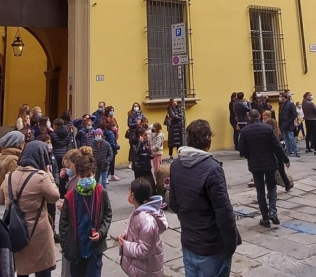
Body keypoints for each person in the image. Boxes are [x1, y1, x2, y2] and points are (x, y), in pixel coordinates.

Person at [169, 120, 240, 277]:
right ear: (208, 140)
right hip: (211, 245)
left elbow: (173, 204)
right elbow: (224, 213)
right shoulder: (212, 169)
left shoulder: (176, 164)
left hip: (189, 241)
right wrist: (231, 243)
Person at [0, 140, 61, 277]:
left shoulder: (9, 176)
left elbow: (0, 200)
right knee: (43, 270)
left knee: (22, 269)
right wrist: (49, 174)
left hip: (16, 230)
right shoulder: (41, 177)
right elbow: (54, 197)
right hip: (39, 230)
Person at [58, 150, 113, 277]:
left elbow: (107, 214)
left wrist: (101, 232)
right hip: (76, 250)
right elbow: (63, 223)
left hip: (95, 250)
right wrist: (66, 246)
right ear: (77, 176)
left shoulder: (101, 192)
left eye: (89, 176)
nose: (86, 179)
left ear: (94, 173)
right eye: (82, 176)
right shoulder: (70, 197)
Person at [239, 109, 290, 227]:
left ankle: (265, 218)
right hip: (270, 163)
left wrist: (250, 156)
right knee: (272, 188)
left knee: (260, 190)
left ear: (249, 118)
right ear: (259, 117)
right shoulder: (267, 129)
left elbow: (241, 149)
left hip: (255, 164)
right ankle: (273, 211)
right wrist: (285, 159)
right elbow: (277, 146)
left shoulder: (245, 131)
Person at [119, 177, 168, 277]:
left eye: (129, 191)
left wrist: (125, 245)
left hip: (146, 270)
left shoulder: (147, 222)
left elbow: (145, 250)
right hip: (140, 267)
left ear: (133, 195)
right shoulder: (138, 211)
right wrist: (126, 234)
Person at [278, 90, 300, 157]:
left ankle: (296, 151)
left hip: (288, 123)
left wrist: (289, 121)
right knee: (286, 138)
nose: (280, 98)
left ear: (284, 97)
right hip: (283, 124)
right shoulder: (282, 105)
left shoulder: (290, 104)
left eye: (281, 96)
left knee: (291, 137)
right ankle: (289, 150)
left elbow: (294, 114)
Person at [102, 110, 121, 181]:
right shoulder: (111, 134)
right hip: (111, 150)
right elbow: (112, 143)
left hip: (111, 150)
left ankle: (111, 175)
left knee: (111, 163)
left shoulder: (112, 133)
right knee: (109, 163)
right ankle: (106, 177)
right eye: (115, 127)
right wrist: (117, 147)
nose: (116, 128)